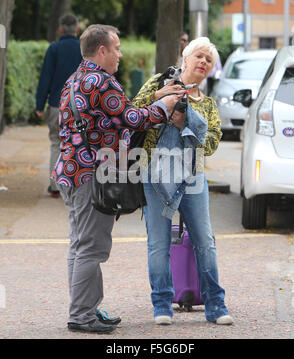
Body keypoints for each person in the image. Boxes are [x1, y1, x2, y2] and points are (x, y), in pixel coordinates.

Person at [51, 24, 184, 334]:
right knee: (91, 247)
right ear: (102, 51)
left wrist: (154, 97)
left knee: (79, 244)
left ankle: (85, 308)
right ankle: (82, 315)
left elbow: (115, 117)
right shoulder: (103, 81)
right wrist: (163, 106)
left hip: (69, 171)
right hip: (91, 176)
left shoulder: (75, 80)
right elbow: (133, 118)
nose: (120, 55)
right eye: (117, 48)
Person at [132, 37, 233, 326]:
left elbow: (212, 143)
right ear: (185, 59)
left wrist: (185, 122)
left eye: (209, 60)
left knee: (205, 242)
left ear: (211, 70)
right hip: (155, 176)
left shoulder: (209, 105)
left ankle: (216, 305)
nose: (203, 62)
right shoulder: (158, 83)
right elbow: (132, 113)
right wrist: (158, 97)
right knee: (158, 244)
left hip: (193, 179)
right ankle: (162, 305)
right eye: (199, 56)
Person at [36, 14, 82, 198]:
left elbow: (45, 77)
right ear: (77, 30)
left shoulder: (53, 49)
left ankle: (55, 186)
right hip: (79, 106)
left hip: (56, 104)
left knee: (56, 143)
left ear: (61, 29)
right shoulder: (83, 49)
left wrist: (40, 104)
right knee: (76, 144)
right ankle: (73, 185)